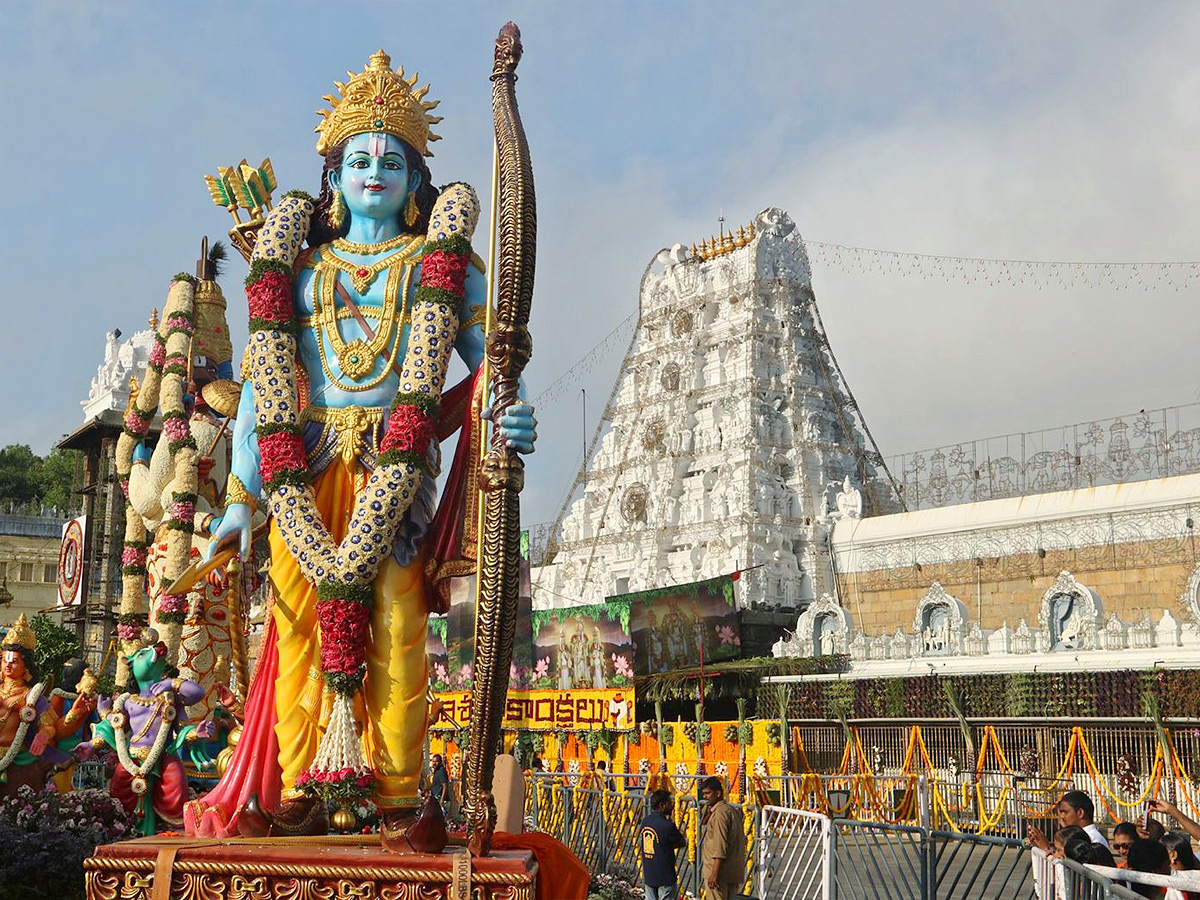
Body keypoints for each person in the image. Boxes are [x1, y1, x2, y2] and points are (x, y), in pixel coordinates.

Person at [186, 50, 536, 847]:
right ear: (333, 182)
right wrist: (240, 498)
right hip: (301, 469)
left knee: (394, 618)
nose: (373, 172)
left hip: (395, 464)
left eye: (392, 161)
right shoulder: (300, 271)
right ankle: (306, 785)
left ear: (418, 185)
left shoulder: (440, 266)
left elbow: (495, 362)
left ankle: (393, 792)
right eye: (357, 161)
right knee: (300, 619)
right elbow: (263, 389)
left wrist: (508, 418)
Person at [700, 775, 747, 900]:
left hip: (719, 873)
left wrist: (714, 874)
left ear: (718, 793)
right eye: (704, 794)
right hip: (732, 872)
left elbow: (720, 846)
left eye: (708, 793)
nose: (705, 797)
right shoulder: (730, 810)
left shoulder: (720, 814)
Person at [640, 789, 686, 900]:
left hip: (650, 874)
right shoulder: (667, 825)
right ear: (662, 805)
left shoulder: (645, 821)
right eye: (670, 803)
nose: (672, 806)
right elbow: (682, 842)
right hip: (665, 876)